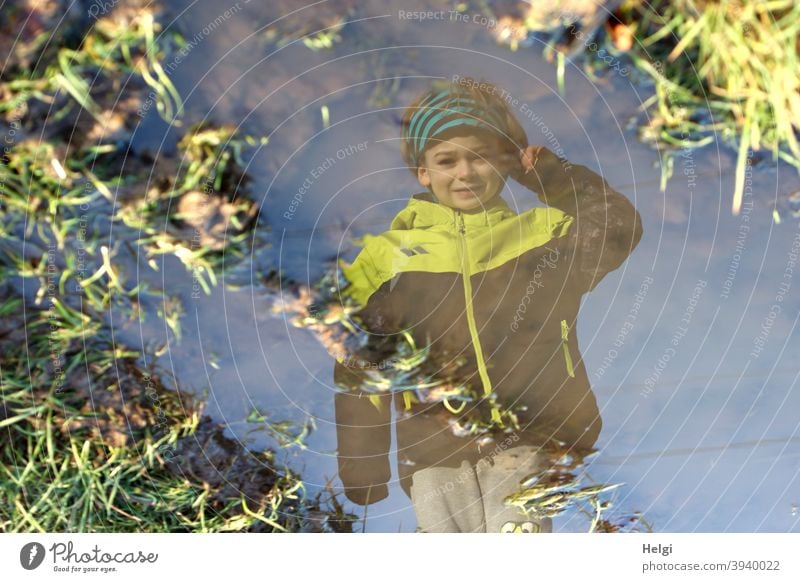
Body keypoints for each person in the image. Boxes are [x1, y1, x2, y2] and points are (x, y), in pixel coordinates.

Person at [332, 76, 644, 532]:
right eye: (446, 160)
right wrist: (363, 463)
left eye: (480, 158)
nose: (465, 172)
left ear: (502, 165)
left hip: (532, 434)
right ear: (424, 173)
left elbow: (619, 225)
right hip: (432, 449)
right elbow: (360, 358)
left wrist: (547, 176)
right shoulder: (386, 255)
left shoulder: (546, 232)